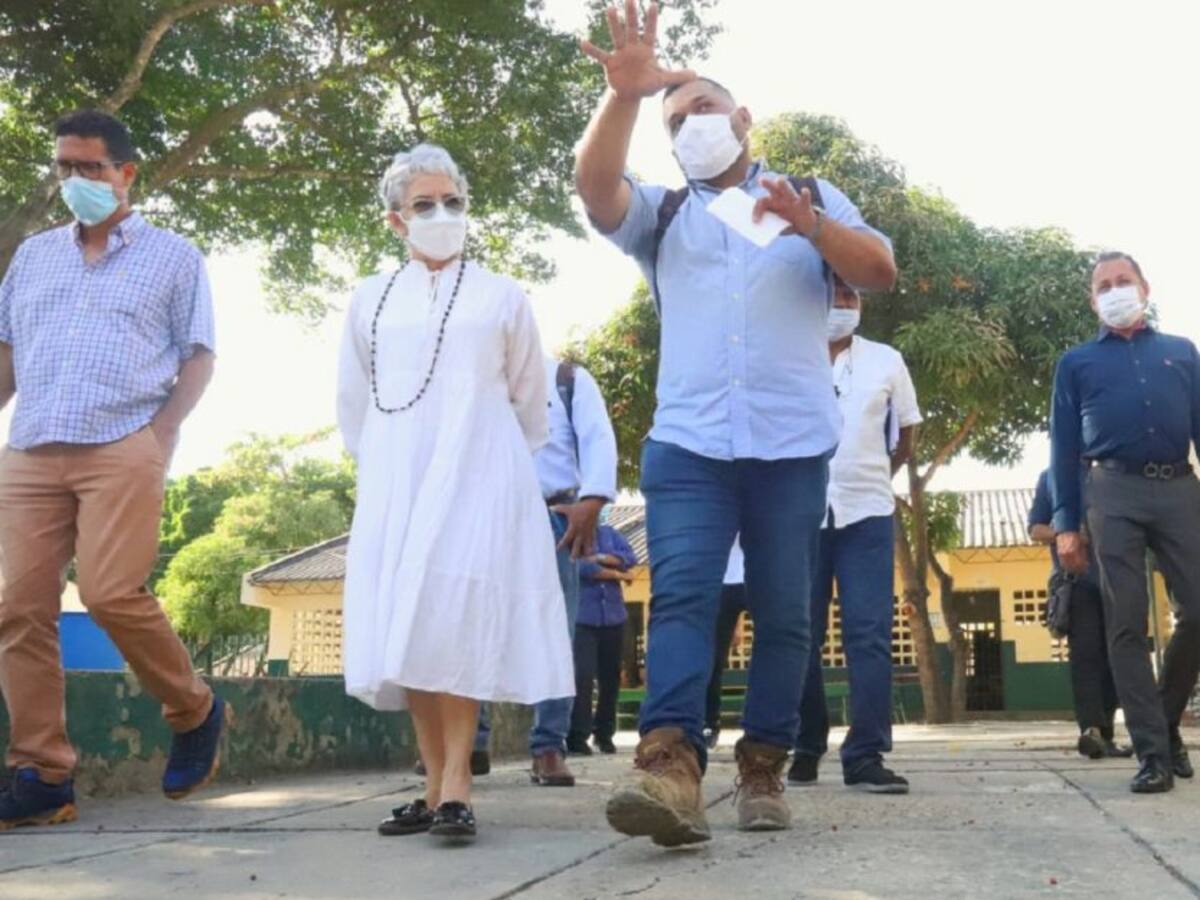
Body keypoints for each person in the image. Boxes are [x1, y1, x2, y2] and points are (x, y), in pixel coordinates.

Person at [576, 2, 896, 843]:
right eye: (676, 121)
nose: (692, 125)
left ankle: (763, 768)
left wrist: (811, 225)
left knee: (786, 615)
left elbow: (879, 268)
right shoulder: (661, 215)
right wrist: (625, 96)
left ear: (744, 118)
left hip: (793, 448)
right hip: (689, 447)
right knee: (682, 596)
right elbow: (595, 190)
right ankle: (669, 768)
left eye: (704, 108)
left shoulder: (810, 195)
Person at [337, 143, 574, 841]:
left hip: (480, 472)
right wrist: (385, 465)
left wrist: (491, 461)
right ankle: (432, 782)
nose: (441, 214)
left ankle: (458, 786)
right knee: (408, 621)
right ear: (395, 220)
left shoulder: (502, 294)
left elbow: (529, 399)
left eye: (453, 202)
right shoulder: (370, 298)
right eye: (424, 204)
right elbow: (354, 397)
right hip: (397, 475)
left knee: (456, 617)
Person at [0, 110, 227, 829]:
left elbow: (199, 356)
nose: (76, 179)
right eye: (65, 167)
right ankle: (43, 774)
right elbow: (8, 351)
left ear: (126, 173)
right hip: (32, 445)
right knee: (15, 607)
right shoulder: (33, 256)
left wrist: (160, 435)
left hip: (122, 442)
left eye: (90, 167)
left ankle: (194, 708)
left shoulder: (174, 257)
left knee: (107, 592)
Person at [1050, 251, 1200, 794]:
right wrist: (1066, 524)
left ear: (1144, 287)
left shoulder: (1181, 352)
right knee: (1126, 622)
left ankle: (1163, 718)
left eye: (1124, 281)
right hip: (1111, 491)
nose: (1115, 291)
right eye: (1104, 286)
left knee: (1197, 610)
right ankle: (1153, 754)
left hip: (1180, 488)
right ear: (1093, 301)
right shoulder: (1076, 363)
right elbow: (1063, 447)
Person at [456, 354, 619, 786]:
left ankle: (549, 747)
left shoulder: (566, 378)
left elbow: (598, 438)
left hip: (554, 517)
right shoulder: (469, 374)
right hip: (480, 515)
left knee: (555, 632)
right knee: (474, 626)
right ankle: (469, 743)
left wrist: (592, 501)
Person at [789, 279, 920, 794]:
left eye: (852, 297)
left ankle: (866, 753)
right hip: (800, 513)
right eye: (835, 295)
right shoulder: (787, 355)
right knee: (800, 632)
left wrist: (874, 474)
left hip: (868, 513)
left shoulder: (887, 360)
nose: (844, 304)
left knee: (869, 633)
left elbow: (906, 433)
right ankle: (806, 742)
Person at [1028, 469, 1132, 760]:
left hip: (1119, 580)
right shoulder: (1052, 477)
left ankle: (1106, 735)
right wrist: (1067, 534)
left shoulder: (1115, 469)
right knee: (1086, 656)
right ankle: (1091, 729)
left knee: (1115, 657)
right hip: (1077, 582)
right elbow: (1035, 529)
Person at [568, 521, 638, 756]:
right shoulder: (571, 535)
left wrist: (599, 557)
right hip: (583, 618)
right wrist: (619, 574)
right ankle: (577, 735)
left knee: (611, 678)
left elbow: (630, 558)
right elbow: (580, 567)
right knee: (583, 677)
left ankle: (605, 734)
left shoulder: (611, 534)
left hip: (613, 617)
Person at [704, 537, 748, 750]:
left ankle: (769, 728)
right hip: (719, 580)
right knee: (712, 661)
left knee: (777, 648)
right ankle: (709, 724)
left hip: (759, 573)